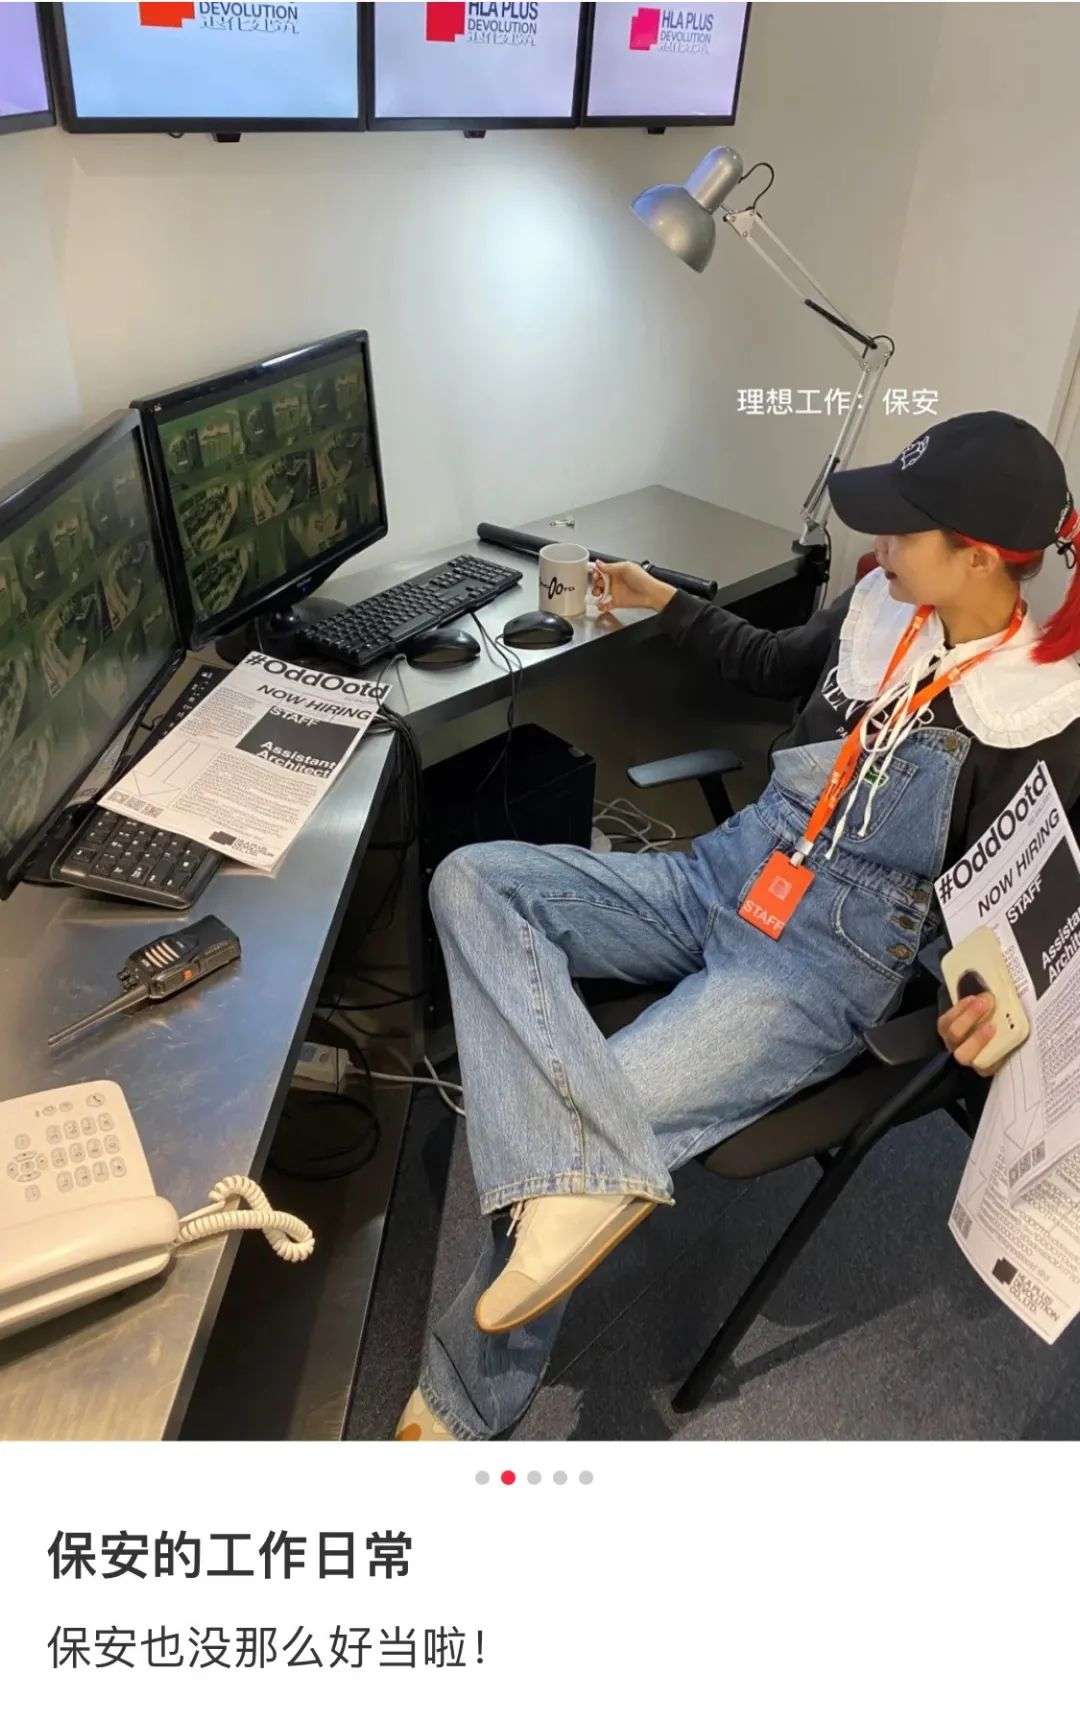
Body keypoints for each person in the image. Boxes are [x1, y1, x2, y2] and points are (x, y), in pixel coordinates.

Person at [395, 412, 1080, 1441]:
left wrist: (986, 1001)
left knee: (590, 1119)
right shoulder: (880, 602)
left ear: (977, 556)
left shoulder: (1040, 718)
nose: (880, 544)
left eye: (905, 529)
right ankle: (572, 1177)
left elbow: (1025, 912)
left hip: (820, 963)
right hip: (724, 870)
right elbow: (767, 661)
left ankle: (462, 1397)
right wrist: (659, 597)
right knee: (472, 881)